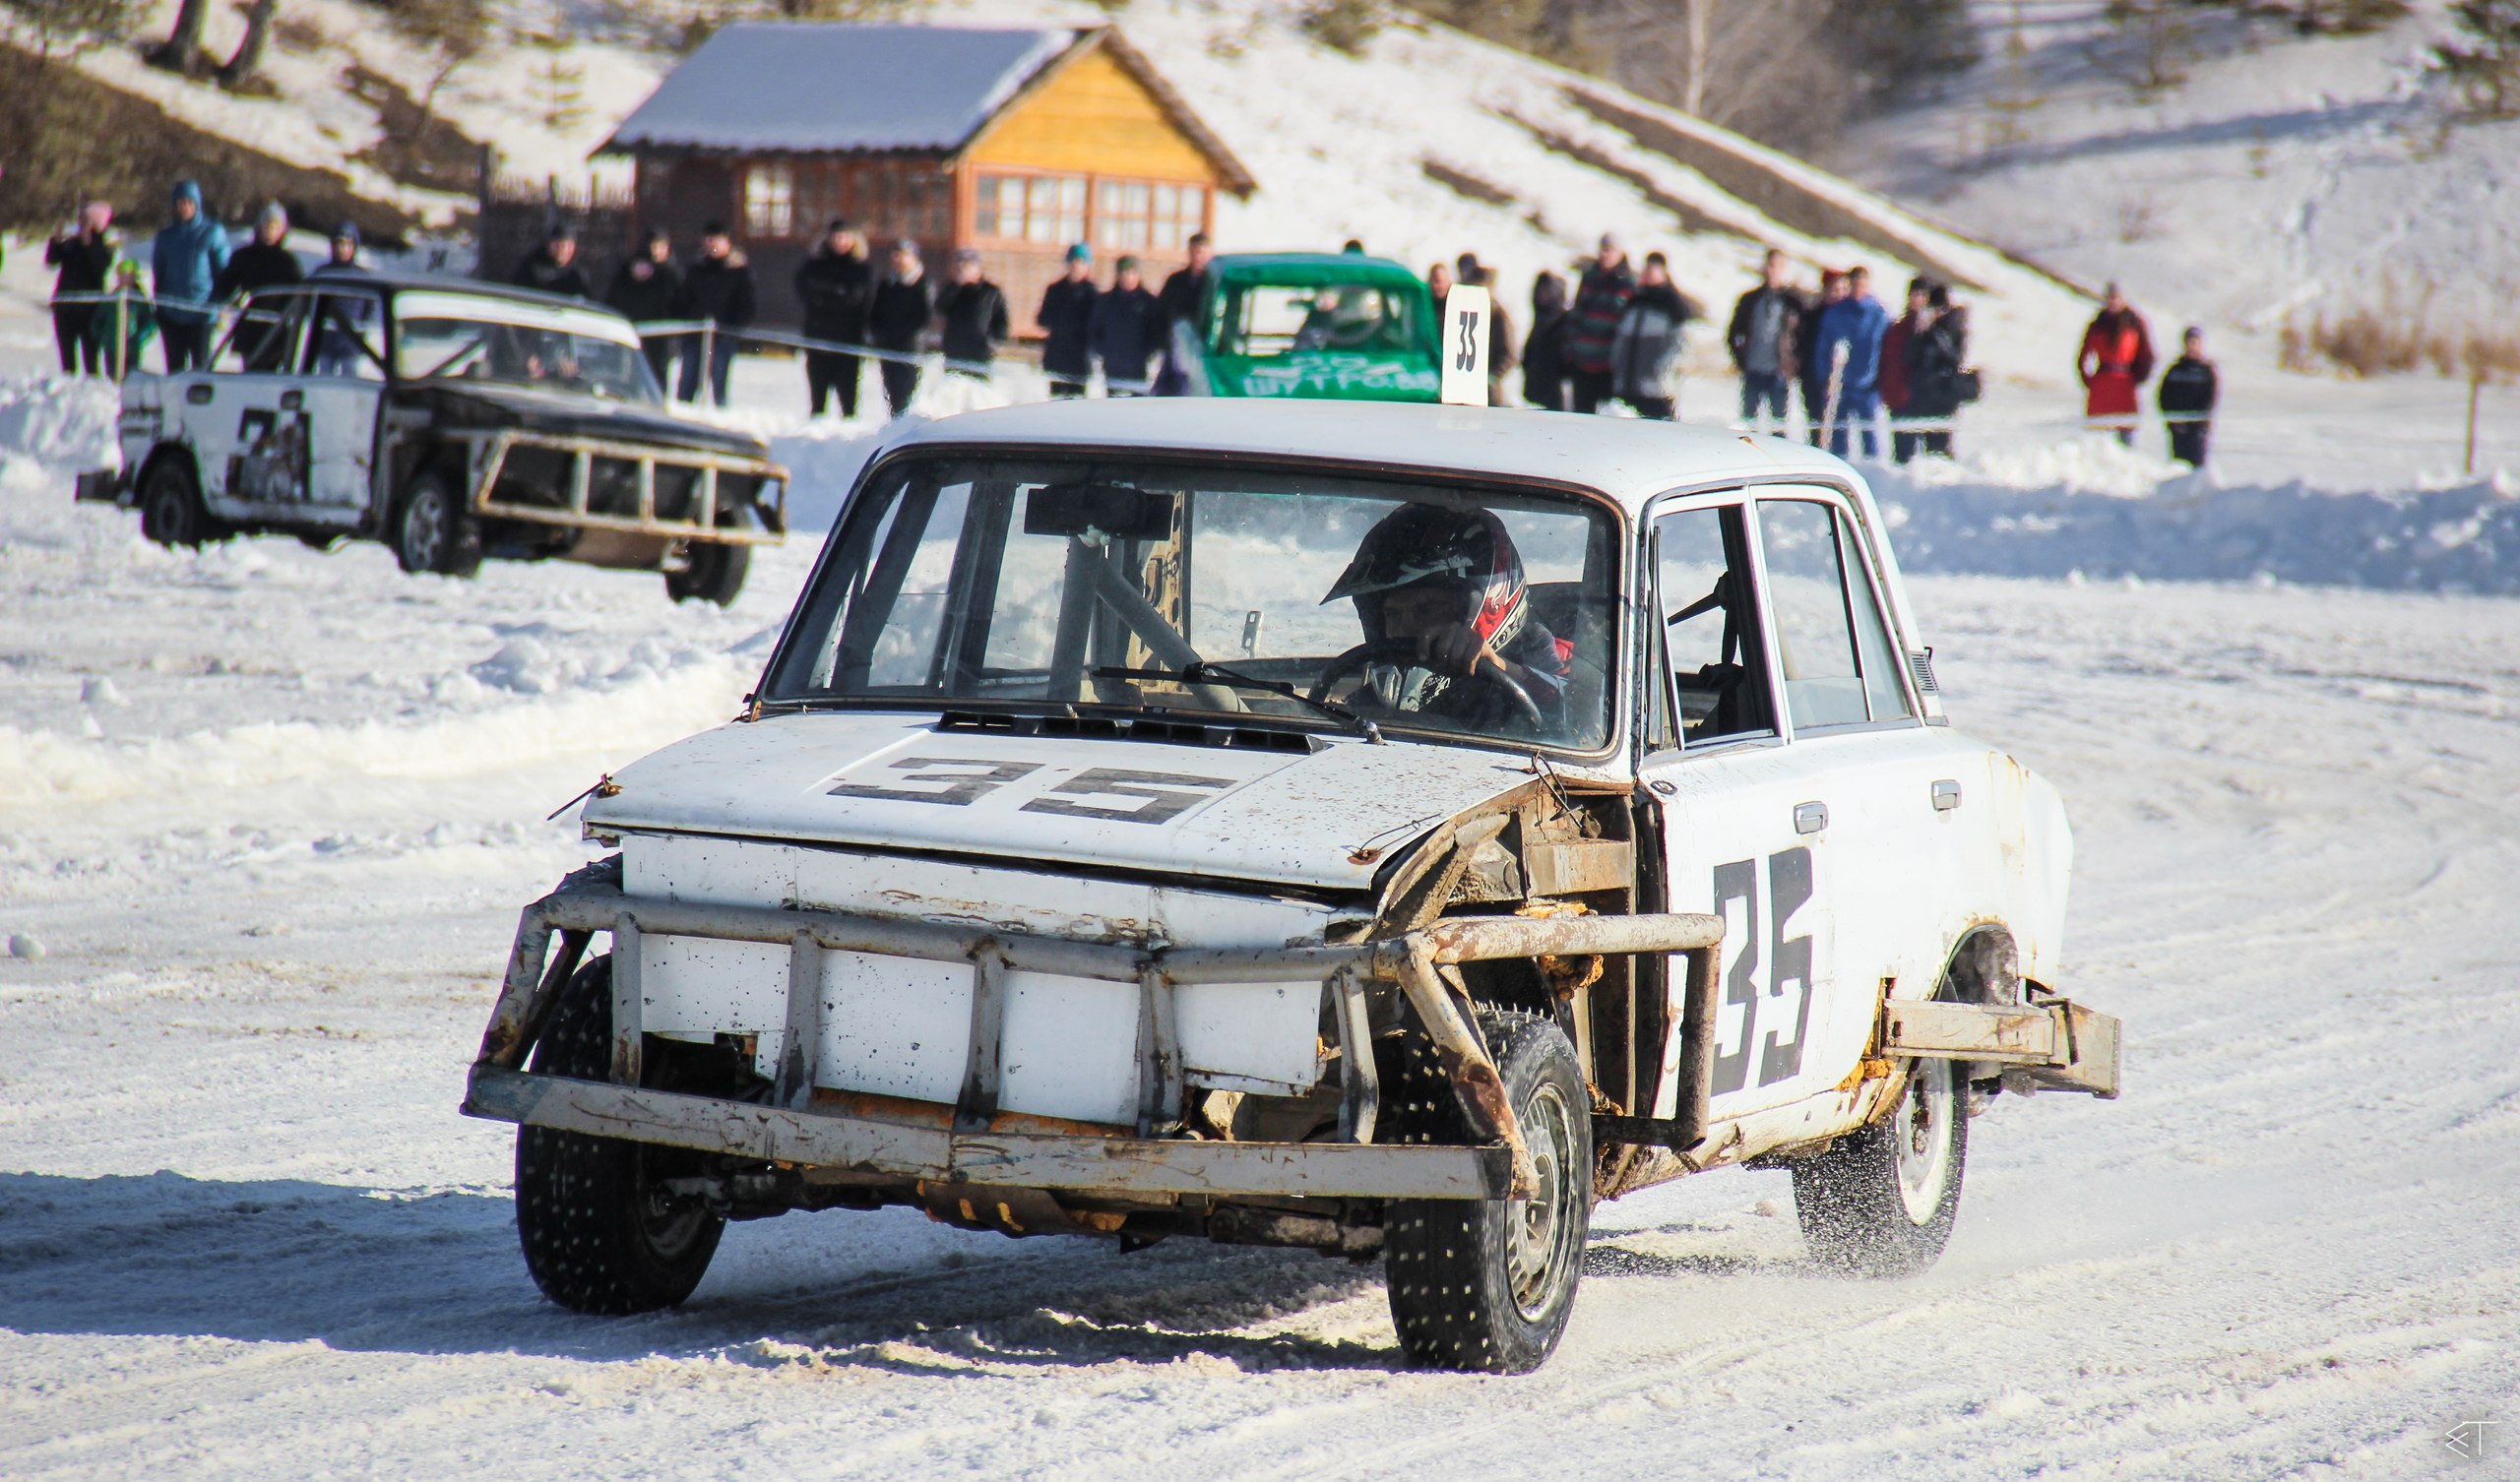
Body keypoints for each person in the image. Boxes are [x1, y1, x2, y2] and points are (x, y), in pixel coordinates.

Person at [1320, 503, 1577, 740]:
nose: (1404, 629)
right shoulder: (1369, 705)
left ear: (1490, 603)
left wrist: (1498, 666)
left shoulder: (1539, 656)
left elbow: (1582, 718)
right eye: (1393, 615)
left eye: (1427, 610)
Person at [794, 219, 872, 417]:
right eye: (836, 237)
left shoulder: (860, 268)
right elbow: (805, 291)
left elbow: (855, 299)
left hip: (848, 340)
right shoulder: (814, 265)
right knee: (818, 401)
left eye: (845, 237)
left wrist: (826, 293)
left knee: (848, 402)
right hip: (818, 337)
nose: (840, 242)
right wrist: (834, 292)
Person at [152, 180, 230, 374]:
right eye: (180, 203)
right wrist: (161, 306)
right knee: (175, 371)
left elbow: (224, 273)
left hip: (202, 313)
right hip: (172, 314)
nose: (184, 207)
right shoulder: (165, 237)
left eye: (189, 202)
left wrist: (219, 304)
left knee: (201, 372)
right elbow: (159, 273)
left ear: (197, 204)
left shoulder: (212, 233)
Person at [1811, 266, 1889, 458]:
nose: (1858, 289)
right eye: (1855, 284)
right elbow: (1823, 347)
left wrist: (1882, 381)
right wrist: (1825, 378)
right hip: (1840, 386)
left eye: (1862, 285)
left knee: (1869, 437)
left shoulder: (1878, 315)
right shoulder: (1835, 314)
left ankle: (1873, 474)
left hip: (1868, 387)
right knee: (1838, 439)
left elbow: (1886, 350)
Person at [676, 222, 755, 407]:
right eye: (709, 240)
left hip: (723, 336)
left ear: (727, 243)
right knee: (687, 382)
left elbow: (746, 305)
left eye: (717, 240)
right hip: (696, 334)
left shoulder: (738, 272)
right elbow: (684, 299)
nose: (712, 245)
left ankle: (720, 417)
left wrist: (733, 330)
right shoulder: (696, 270)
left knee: (719, 384)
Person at [1609, 252, 1695, 420]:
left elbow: (1682, 344)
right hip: (1628, 384)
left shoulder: (1673, 303)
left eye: (1654, 268)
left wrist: (1663, 369)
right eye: (1647, 268)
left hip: (1657, 390)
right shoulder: (1634, 301)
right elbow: (1620, 339)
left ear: (1663, 272)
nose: (1649, 272)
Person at [1727, 248, 1804, 432]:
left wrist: (1795, 361)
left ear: (1784, 269)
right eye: (1769, 265)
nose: (1771, 270)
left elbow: (1803, 336)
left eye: (1776, 266)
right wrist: (1740, 359)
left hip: (1778, 373)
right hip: (1753, 370)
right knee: (1748, 425)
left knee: (1778, 427)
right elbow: (1733, 333)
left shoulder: (1793, 302)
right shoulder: (1750, 299)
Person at [1565, 234, 1635, 414]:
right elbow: (1576, 314)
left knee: (1606, 418)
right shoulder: (1589, 278)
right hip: (1582, 362)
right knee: (1580, 416)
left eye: (1610, 250)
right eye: (1602, 249)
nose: (1605, 254)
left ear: (1620, 253)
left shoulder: (1627, 283)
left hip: (1607, 366)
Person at [45, 203, 117, 377]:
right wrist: (55, 241)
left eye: (86, 221)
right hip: (66, 307)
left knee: (91, 358)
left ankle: (91, 389)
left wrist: (89, 246)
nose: (81, 225)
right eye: (80, 220)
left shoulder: (104, 246)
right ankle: (68, 386)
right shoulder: (71, 244)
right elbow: (52, 261)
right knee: (67, 357)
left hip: (89, 310)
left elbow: (100, 266)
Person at [605, 230, 683, 393]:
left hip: (659, 340)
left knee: (656, 379)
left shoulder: (669, 278)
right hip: (627, 336)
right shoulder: (623, 280)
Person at [2078, 283, 2155, 445]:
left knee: (2125, 431)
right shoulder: (2097, 324)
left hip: (2125, 385)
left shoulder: (2134, 323)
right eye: (2109, 297)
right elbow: (2083, 356)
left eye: (2116, 297)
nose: (2113, 301)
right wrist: (2089, 380)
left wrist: (2138, 377)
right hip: (2102, 385)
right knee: (2098, 436)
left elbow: (2147, 354)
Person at [866, 239, 933, 415]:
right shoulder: (887, 284)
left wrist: (902, 333)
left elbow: (923, 318)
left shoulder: (922, 284)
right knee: (892, 393)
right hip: (888, 345)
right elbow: (876, 312)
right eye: (895, 255)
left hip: (910, 347)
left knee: (907, 394)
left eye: (903, 255)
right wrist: (878, 333)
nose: (898, 259)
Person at [1905, 283, 1971, 460]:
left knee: (1940, 443)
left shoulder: (1954, 328)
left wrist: (1935, 335)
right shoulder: (1923, 329)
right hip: (1925, 394)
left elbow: (1956, 358)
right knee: (1922, 442)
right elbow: (1910, 356)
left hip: (1944, 393)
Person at [1089, 255, 1163, 396]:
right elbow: (1094, 330)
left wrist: (1148, 354)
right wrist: (1102, 351)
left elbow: (1156, 333)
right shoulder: (1105, 302)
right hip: (1113, 367)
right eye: (1123, 273)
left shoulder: (1149, 303)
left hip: (1139, 368)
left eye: (1132, 273)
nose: (1127, 277)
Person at [1154, 232, 1215, 395]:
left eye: (1202, 253)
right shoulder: (1176, 281)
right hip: (1176, 346)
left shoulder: (1214, 284)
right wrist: (1163, 340)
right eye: (1195, 252)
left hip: (1204, 349)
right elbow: (1160, 313)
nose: (1198, 257)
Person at [1038, 243, 1099, 399]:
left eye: (1081, 263)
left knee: (1076, 402)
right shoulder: (1055, 290)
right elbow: (1042, 319)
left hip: (1080, 360)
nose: (1076, 267)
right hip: (1057, 356)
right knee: (1056, 400)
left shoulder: (1092, 293)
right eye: (1073, 262)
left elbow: (1096, 326)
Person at [937, 248, 1009, 379]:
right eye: (959, 265)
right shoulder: (953, 289)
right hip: (955, 352)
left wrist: (991, 342)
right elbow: (939, 308)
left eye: (967, 265)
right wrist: (956, 286)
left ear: (977, 267)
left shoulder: (991, 292)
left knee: (978, 393)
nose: (962, 269)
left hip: (980, 354)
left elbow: (1002, 323)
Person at [1796, 270, 1849, 444]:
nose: (1839, 294)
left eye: (1843, 289)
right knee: (1816, 421)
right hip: (1813, 377)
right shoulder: (1813, 315)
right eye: (1835, 289)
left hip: (1842, 379)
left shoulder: (1847, 315)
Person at [1881, 277, 1929, 463]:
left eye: (1921, 295)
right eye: (1914, 294)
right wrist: (1891, 393)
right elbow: (1890, 362)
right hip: (1901, 399)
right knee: (1902, 454)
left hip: (1926, 401)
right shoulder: (1898, 328)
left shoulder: (1934, 329)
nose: (1917, 299)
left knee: (1928, 457)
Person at [217, 202, 302, 302]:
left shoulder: (288, 263)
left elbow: (297, 297)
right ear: (259, 227)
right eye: (267, 225)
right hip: (247, 314)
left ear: (283, 230)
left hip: (276, 316)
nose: (270, 231)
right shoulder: (243, 257)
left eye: (275, 227)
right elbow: (225, 288)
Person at [88, 260, 158, 381]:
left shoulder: (140, 300)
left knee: (131, 380)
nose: (125, 279)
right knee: (112, 379)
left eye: (129, 276)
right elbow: (97, 320)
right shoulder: (111, 298)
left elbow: (150, 323)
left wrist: (138, 339)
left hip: (131, 349)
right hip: (111, 348)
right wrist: (103, 338)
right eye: (122, 276)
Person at [2158, 326, 2217, 467]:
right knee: (2178, 466)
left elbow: (2210, 397)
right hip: (2177, 427)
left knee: (2196, 467)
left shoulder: (2206, 371)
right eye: (2189, 342)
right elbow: (2163, 395)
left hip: (2197, 428)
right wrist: (2172, 419)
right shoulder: (2174, 370)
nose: (2192, 346)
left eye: (2195, 342)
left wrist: (2197, 420)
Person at [1470, 266, 1517, 407]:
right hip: (1466, 386)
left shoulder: (1498, 315)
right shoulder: (1468, 310)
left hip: (1489, 392)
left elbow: (1510, 355)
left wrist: (1493, 376)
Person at [1522, 271, 1568, 411]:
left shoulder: (1563, 322)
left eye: (1546, 291)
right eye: (1539, 291)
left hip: (1556, 392)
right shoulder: (1540, 320)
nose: (1541, 295)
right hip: (1535, 389)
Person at [513, 223, 592, 298]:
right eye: (558, 245)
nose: (563, 250)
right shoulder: (530, 269)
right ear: (548, 245)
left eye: (569, 246)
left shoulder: (577, 276)